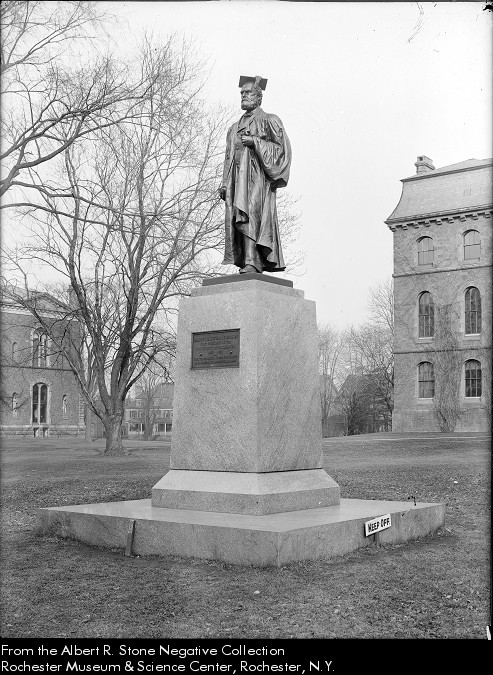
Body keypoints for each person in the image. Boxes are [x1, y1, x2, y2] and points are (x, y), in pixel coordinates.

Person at [219, 76, 292, 274]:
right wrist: (225, 182)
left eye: (248, 92)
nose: (243, 95)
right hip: (236, 180)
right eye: (242, 93)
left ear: (259, 97)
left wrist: (256, 142)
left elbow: (282, 151)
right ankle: (246, 260)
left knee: (251, 213)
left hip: (257, 178)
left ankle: (253, 261)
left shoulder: (270, 120)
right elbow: (228, 157)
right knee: (239, 216)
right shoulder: (233, 128)